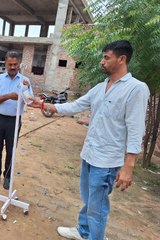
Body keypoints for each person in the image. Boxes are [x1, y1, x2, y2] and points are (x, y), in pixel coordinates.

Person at [28, 40, 149, 240]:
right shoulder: (101, 87)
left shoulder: (136, 89)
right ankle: (83, 231)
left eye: (106, 57)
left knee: (98, 208)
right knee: (88, 200)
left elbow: (136, 128)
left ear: (122, 59)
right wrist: (44, 105)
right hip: (89, 154)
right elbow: (74, 106)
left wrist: (129, 165)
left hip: (107, 161)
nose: (102, 62)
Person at [0, 51, 33, 190]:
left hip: (14, 121)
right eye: (10, 64)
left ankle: (7, 176)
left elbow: (30, 101)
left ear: (19, 64)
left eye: (15, 64)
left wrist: (25, 90)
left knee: (10, 150)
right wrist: (8, 96)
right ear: (6, 64)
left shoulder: (25, 80)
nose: (13, 67)